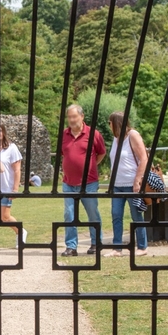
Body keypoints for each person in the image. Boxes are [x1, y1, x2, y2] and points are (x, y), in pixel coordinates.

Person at [60, 103, 104, 256]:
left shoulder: (94, 134)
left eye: (74, 116)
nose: (71, 120)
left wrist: (90, 166)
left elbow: (101, 154)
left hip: (89, 183)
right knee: (69, 215)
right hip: (68, 183)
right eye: (69, 117)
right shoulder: (64, 135)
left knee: (92, 213)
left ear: (82, 116)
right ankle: (71, 247)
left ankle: (96, 243)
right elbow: (63, 154)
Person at [106, 111, 148, 257]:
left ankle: (142, 246)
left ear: (116, 123)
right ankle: (117, 248)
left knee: (136, 215)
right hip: (117, 184)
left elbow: (144, 158)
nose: (108, 126)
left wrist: (138, 179)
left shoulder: (133, 135)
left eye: (109, 123)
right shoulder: (115, 139)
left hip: (131, 184)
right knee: (116, 215)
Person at [0, 122, 27, 250]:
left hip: (6, 187)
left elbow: (17, 170)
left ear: (3, 132)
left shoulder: (11, 148)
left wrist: (15, 189)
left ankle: (20, 231)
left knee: (4, 216)